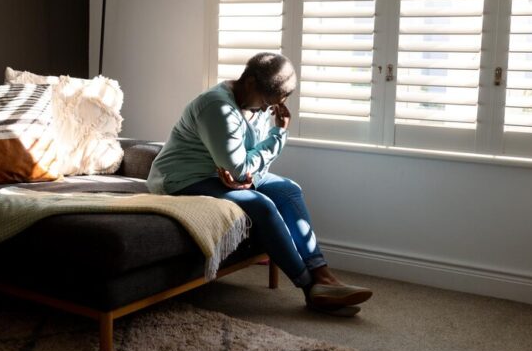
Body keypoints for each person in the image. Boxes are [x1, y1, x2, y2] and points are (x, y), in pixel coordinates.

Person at [147, 52, 372, 316]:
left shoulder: (256, 104)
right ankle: (310, 287)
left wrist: (249, 175)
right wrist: (277, 135)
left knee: (288, 190)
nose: (267, 110)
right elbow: (241, 166)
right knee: (261, 205)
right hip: (183, 178)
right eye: (266, 103)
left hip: (221, 173)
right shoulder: (217, 107)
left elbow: (251, 163)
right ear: (251, 82)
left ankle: (324, 275)